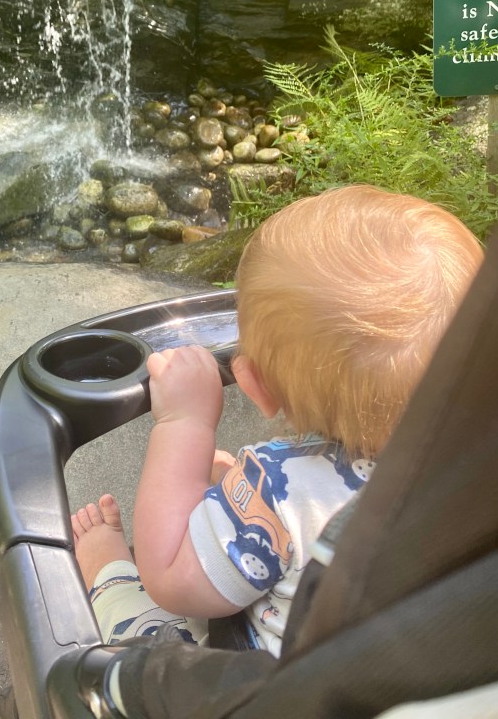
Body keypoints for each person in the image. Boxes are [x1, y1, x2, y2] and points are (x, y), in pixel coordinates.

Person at [72, 184, 484, 656]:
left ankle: (107, 575)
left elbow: (169, 575)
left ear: (257, 387)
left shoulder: (279, 491)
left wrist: (184, 425)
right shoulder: (479, 469)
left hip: (259, 684)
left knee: (152, 629)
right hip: (402, 674)